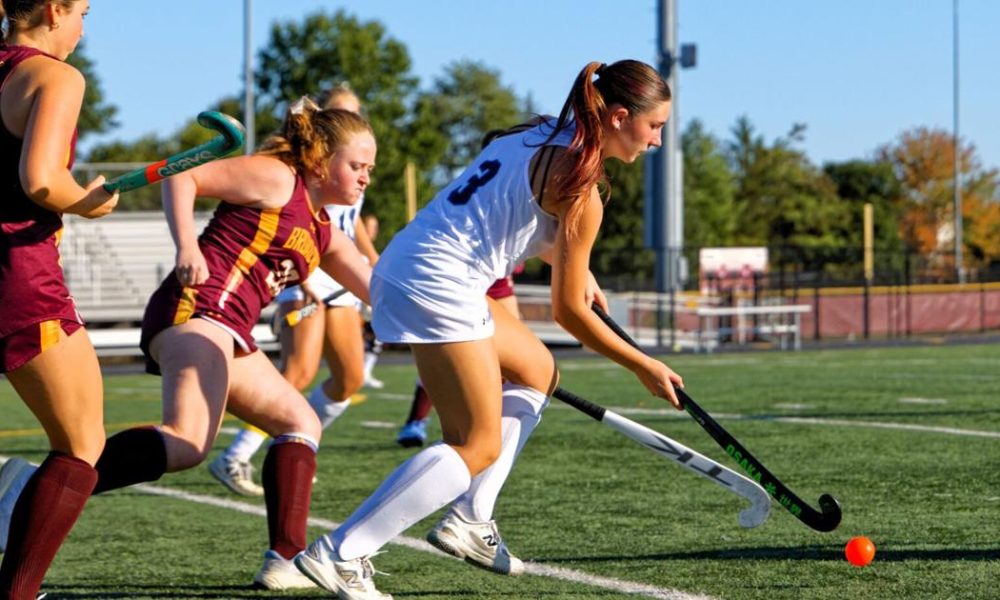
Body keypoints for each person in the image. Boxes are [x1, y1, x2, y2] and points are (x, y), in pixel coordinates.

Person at [294, 59, 683, 600]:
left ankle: (471, 519)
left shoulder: (538, 131)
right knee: (475, 445)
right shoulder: (582, 188)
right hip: (442, 283)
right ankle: (342, 552)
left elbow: (501, 209)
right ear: (620, 117)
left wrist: (570, 259)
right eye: (655, 126)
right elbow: (570, 314)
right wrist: (643, 365)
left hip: (410, 264)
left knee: (537, 369)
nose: (658, 139)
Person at [85, 100, 375, 591]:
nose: (366, 178)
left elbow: (381, 289)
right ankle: (45, 486)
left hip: (229, 329)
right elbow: (183, 177)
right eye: (357, 165)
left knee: (300, 422)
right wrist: (187, 246)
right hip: (198, 307)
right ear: (321, 160)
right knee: (188, 441)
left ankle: (286, 559)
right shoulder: (278, 178)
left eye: (369, 168)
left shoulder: (324, 230)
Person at [0, 1, 120, 597]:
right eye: (83, 13)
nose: (82, 29)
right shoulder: (54, 75)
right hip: (17, 274)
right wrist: (89, 202)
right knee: (81, 443)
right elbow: (43, 179)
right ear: (53, 10)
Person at [208, 85, 380, 497]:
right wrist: (300, 278)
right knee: (299, 371)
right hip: (306, 268)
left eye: (355, 112)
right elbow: (295, 219)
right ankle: (236, 455)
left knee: (350, 378)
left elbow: (349, 222)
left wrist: (373, 259)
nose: (352, 119)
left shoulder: (356, 164)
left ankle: (295, 445)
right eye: (342, 112)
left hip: (341, 269)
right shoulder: (314, 164)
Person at [396, 268, 523, 448]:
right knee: (442, 357)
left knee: (510, 359)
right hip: (456, 276)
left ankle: (496, 424)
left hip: (497, 279)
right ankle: (417, 420)